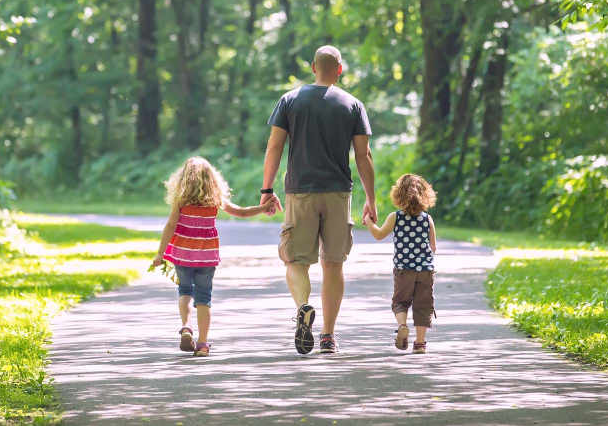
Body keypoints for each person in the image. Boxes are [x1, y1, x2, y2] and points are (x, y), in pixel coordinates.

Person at [260, 45, 376, 354]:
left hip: (301, 191)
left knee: (295, 260)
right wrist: (371, 199)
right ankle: (328, 336)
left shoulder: (290, 100)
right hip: (339, 193)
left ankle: (303, 306)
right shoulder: (353, 105)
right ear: (340, 69)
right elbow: (363, 156)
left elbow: (274, 147)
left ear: (313, 67)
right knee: (333, 264)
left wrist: (267, 189)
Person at [150, 156, 274, 357]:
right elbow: (240, 212)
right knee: (204, 298)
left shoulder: (181, 201)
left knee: (184, 291)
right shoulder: (215, 199)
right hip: (206, 257)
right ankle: (202, 344)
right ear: (212, 179)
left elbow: (171, 225)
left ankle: (186, 326)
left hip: (183, 255)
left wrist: (160, 253)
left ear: (184, 179)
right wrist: (262, 208)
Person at [362, 174, 437, 354]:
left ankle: (402, 325)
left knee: (401, 302)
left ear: (398, 195)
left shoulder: (395, 217)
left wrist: (368, 223)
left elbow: (379, 235)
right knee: (423, 306)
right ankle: (420, 344)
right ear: (425, 195)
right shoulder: (427, 219)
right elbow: (433, 247)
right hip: (425, 270)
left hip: (404, 269)